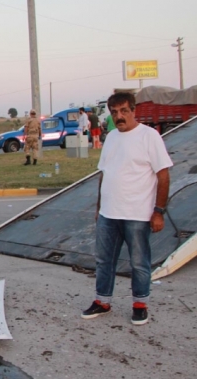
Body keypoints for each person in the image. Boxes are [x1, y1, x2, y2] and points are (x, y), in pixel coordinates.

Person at [81, 92, 172, 326]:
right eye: (114, 112)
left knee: (139, 262)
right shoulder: (111, 137)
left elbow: (163, 175)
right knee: (104, 261)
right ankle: (102, 301)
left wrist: (158, 211)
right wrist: (100, 207)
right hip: (109, 214)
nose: (119, 116)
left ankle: (140, 304)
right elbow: (105, 174)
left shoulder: (149, 136)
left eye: (124, 111)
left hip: (138, 215)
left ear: (133, 111)